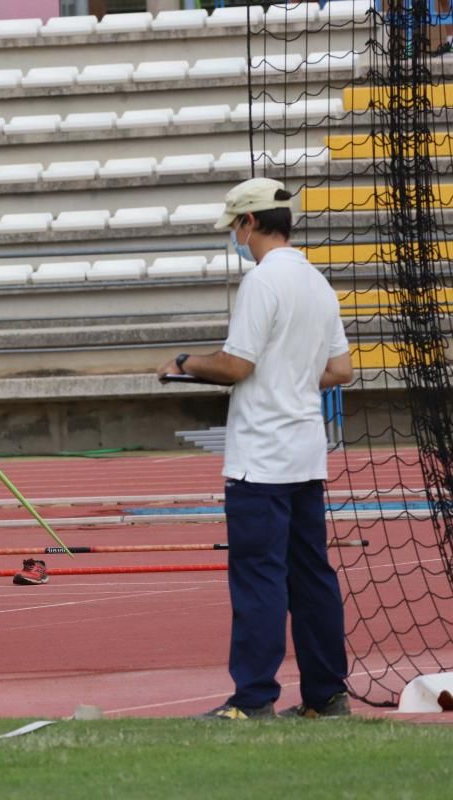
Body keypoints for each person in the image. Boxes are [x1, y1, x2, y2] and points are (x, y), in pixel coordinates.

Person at [158, 177, 354, 721]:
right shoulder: (316, 281)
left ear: (249, 223)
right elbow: (341, 369)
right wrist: (290, 377)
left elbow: (236, 365)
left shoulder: (263, 282)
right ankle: (326, 694)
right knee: (312, 575)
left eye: (237, 228)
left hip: (260, 456)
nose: (237, 239)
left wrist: (184, 364)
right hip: (305, 452)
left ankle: (252, 698)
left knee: (258, 577)